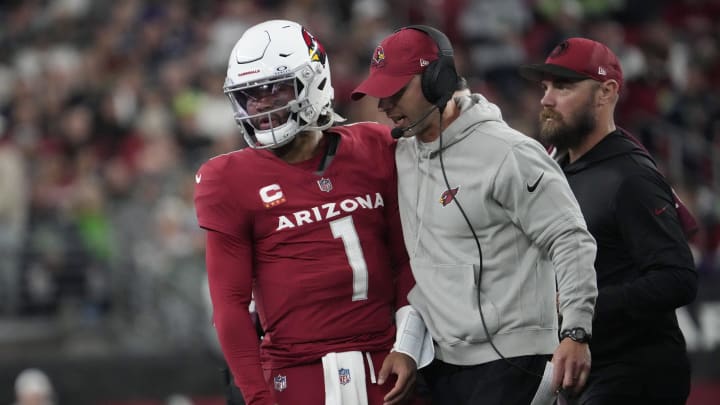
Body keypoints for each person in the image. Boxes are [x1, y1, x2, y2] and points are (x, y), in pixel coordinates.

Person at [351, 26, 598, 405]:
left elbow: (570, 238)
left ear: (437, 81)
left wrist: (576, 332)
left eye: (395, 91)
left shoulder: (509, 152)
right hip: (442, 364)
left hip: (515, 361)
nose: (384, 105)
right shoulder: (402, 155)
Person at [193, 20, 432, 405]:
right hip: (296, 371)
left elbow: (409, 258)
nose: (261, 103)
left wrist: (408, 345)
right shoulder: (227, 179)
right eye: (250, 94)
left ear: (314, 80)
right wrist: (256, 397)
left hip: (385, 362)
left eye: (274, 89)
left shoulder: (375, 146)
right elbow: (229, 305)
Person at [519, 37, 698, 404]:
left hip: (632, 371)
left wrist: (581, 309)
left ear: (606, 92)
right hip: (578, 368)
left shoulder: (630, 177)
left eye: (564, 86)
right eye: (546, 86)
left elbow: (677, 279)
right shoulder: (556, 167)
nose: (547, 99)